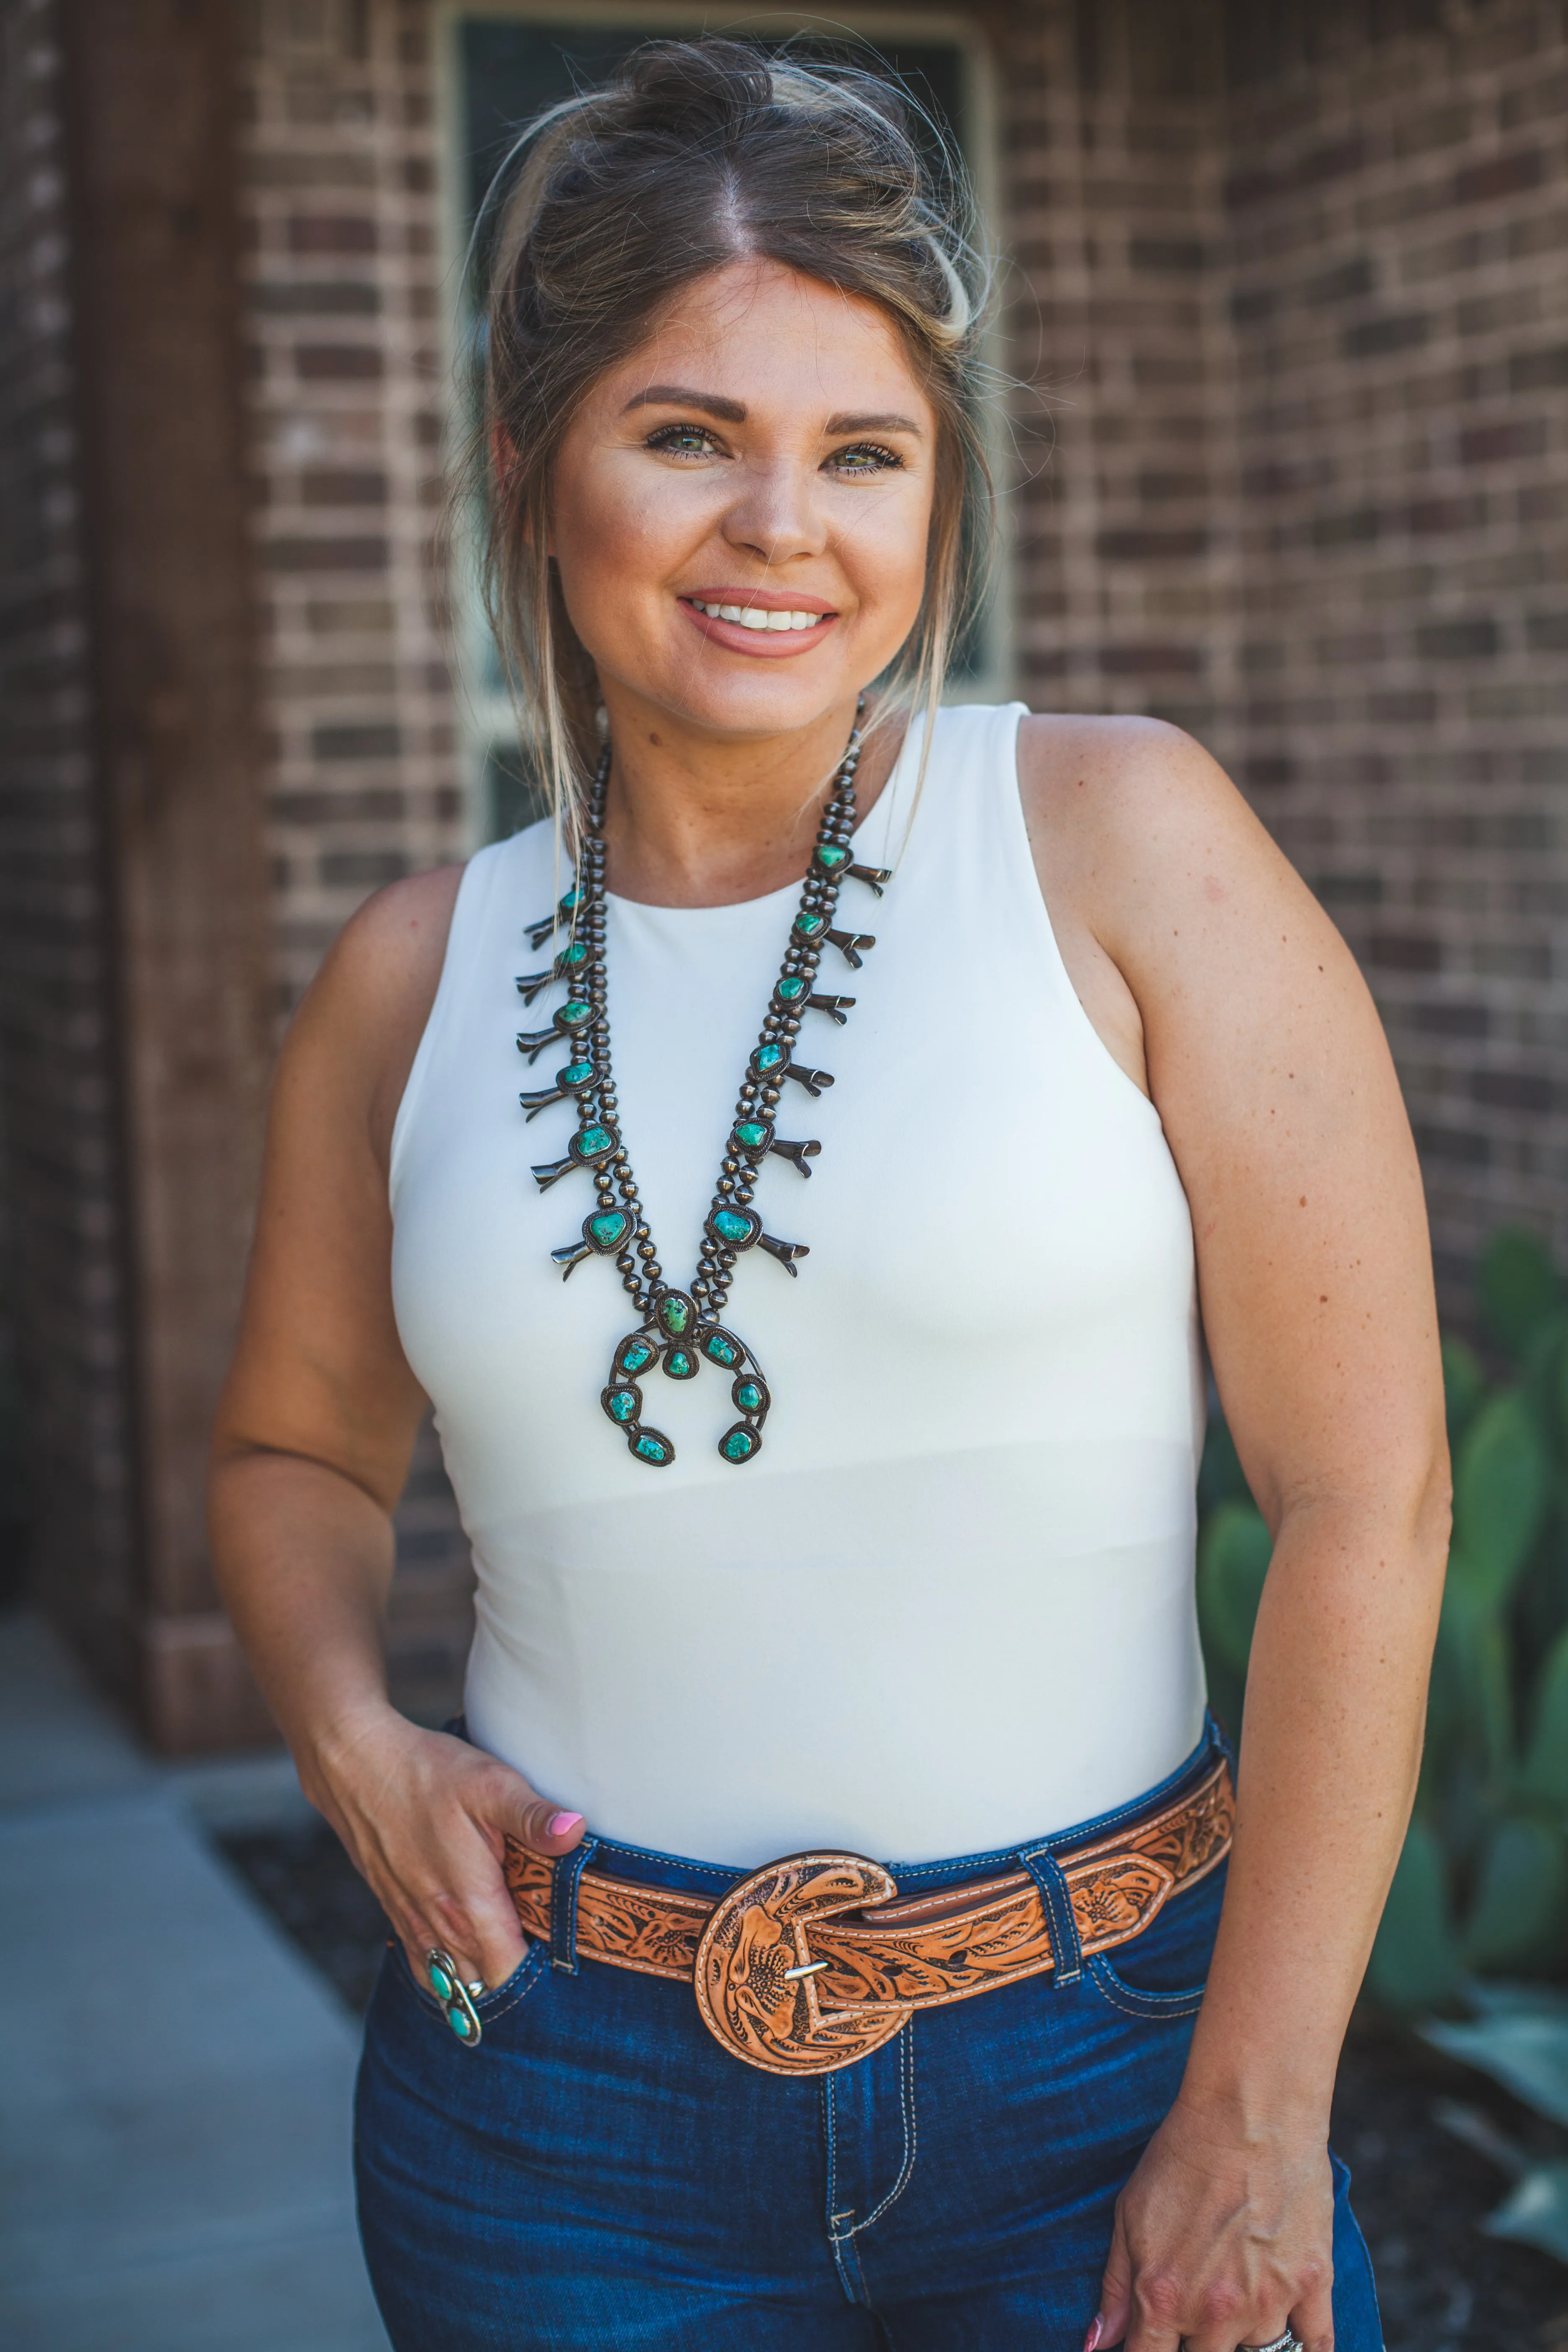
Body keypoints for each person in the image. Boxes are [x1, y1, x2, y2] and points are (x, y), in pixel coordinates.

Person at [209, 40, 1449, 2352]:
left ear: (934, 498)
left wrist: (1257, 2111)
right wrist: (344, 1739)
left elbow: (1367, 1492)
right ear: (531, 461)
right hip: (557, 2121)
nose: (783, 525)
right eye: (688, 435)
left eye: (862, 455)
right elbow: (291, 1449)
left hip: (1113, 2057)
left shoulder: (1123, 838)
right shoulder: (407, 975)